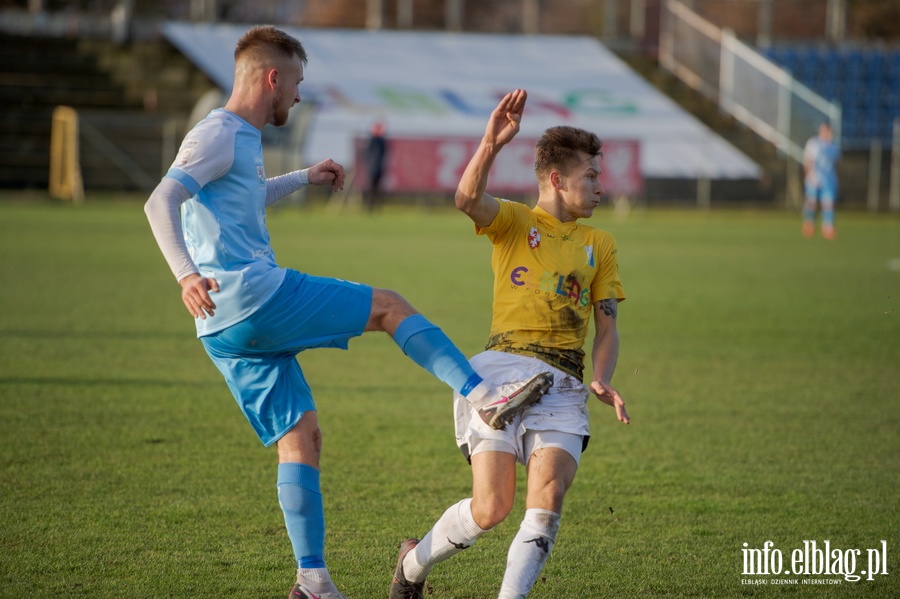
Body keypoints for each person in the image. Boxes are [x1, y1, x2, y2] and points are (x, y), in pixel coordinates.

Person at [143, 28, 552, 599]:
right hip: (249, 295)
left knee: (301, 438)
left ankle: (312, 582)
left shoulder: (237, 137)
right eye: (297, 84)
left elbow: (240, 196)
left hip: (221, 328)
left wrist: (303, 178)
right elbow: (160, 199)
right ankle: (486, 398)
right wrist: (186, 274)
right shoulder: (218, 132)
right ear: (272, 79)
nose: (299, 97)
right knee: (389, 307)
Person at [389, 89, 631, 599]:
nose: (599, 188)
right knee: (491, 509)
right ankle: (411, 567)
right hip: (498, 374)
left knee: (546, 499)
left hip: (563, 382)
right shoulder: (516, 221)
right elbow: (465, 200)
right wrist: (490, 143)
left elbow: (606, 326)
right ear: (557, 180)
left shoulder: (601, 245)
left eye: (599, 177)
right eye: (591, 176)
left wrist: (602, 377)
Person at [802, 122, 840, 239]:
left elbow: (837, 164)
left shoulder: (834, 147)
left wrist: (837, 178)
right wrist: (809, 176)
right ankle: (809, 223)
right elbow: (808, 161)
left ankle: (827, 227)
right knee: (811, 202)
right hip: (814, 178)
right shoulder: (813, 143)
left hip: (828, 179)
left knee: (828, 203)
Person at [363, 121, 389, 211]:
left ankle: (376, 207)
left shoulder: (382, 141)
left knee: (378, 190)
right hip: (372, 168)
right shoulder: (372, 140)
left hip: (379, 168)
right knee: (370, 189)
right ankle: (369, 207)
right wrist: (370, 165)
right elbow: (367, 155)